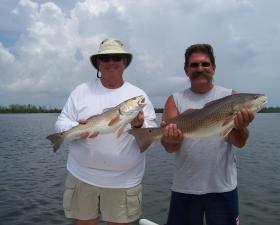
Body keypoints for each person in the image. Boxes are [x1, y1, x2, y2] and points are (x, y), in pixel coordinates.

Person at [55, 38, 156, 225]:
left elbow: (148, 142)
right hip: (81, 177)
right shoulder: (81, 91)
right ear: (98, 64)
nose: (111, 62)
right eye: (105, 58)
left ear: (124, 63)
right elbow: (61, 121)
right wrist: (75, 129)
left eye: (116, 57)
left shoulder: (139, 95)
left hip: (124, 182)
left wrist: (138, 126)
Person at [161, 43, 254, 225]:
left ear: (213, 68)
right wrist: (169, 138)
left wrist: (240, 127)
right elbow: (169, 147)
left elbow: (240, 142)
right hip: (185, 187)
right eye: (194, 65)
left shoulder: (231, 96)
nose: (200, 68)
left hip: (223, 188)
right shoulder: (175, 100)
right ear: (186, 70)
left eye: (205, 64)